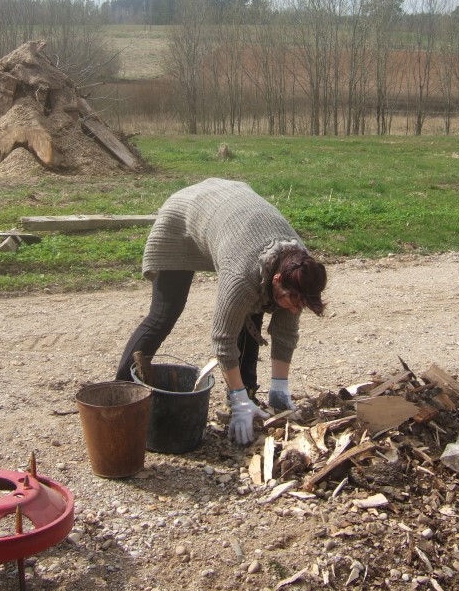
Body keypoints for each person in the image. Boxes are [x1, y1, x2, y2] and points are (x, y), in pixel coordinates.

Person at [116, 178, 327, 444]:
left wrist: (280, 388)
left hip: (235, 211)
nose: (294, 308)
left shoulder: (300, 269)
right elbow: (223, 338)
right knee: (163, 314)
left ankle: (246, 392)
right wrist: (238, 400)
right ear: (276, 280)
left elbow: (285, 333)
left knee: (255, 306)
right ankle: (120, 393)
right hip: (185, 214)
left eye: (301, 304)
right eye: (291, 300)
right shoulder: (241, 274)